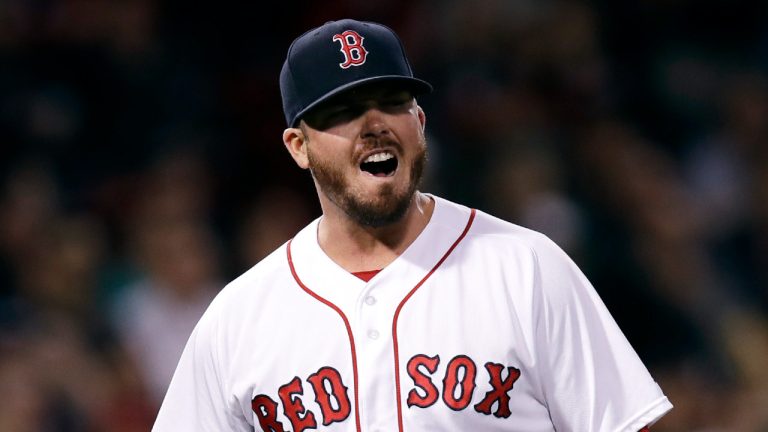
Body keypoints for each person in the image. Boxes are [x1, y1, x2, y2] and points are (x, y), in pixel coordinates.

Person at [153, 19, 672, 431]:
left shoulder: (528, 269)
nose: (374, 122)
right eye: (343, 110)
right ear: (298, 147)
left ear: (419, 123)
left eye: (391, 101)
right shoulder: (238, 320)